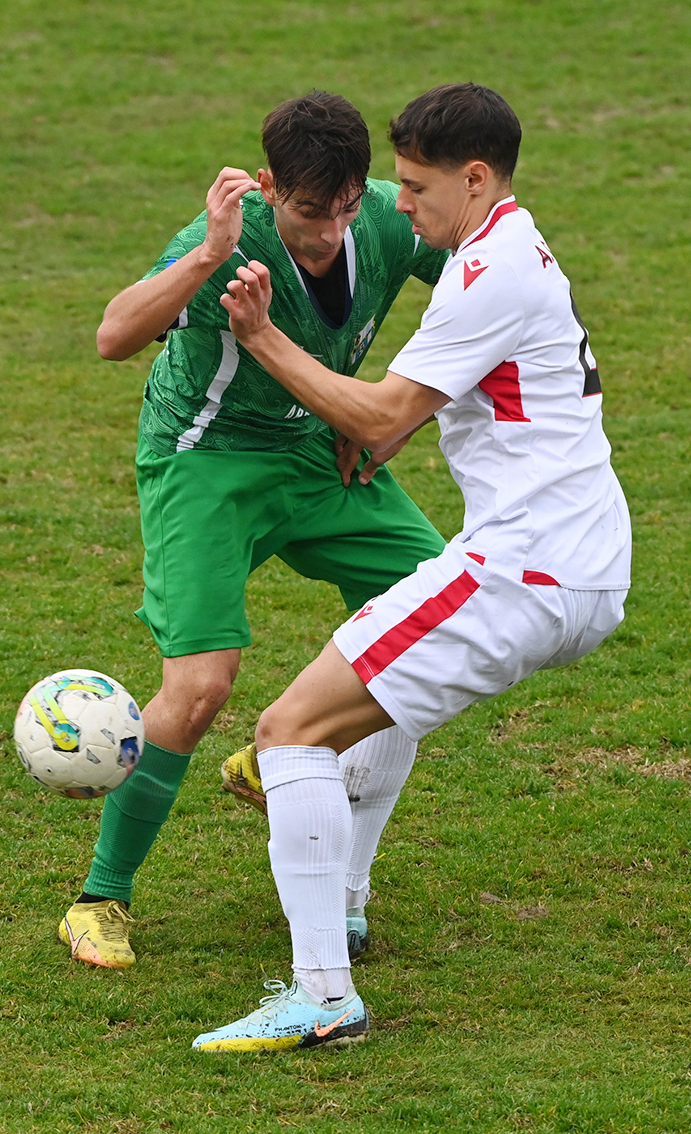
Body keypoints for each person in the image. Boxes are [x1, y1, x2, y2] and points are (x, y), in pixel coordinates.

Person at [191, 82, 631, 1051]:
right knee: (383, 700)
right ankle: (340, 905)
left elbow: (387, 411)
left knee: (289, 729)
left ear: (476, 179)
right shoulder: (504, 247)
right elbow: (437, 408)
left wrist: (262, 336)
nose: (402, 206)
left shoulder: (488, 274)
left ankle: (322, 995)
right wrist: (381, 435)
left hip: (525, 566)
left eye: (417, 187)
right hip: (575, 563)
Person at [58, 91, 451, 968]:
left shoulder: (387, 221)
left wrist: (386, 420)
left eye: (346, 206)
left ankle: (282, 753)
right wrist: (208, 253)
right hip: (205, 463)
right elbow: (114, 337)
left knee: (444, 617)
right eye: (310, 212)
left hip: (317, 453)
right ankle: (100, 899)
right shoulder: (235, 239)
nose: (327, 231)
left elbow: (487, 306)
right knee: (199, 688)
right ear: (270, 188)